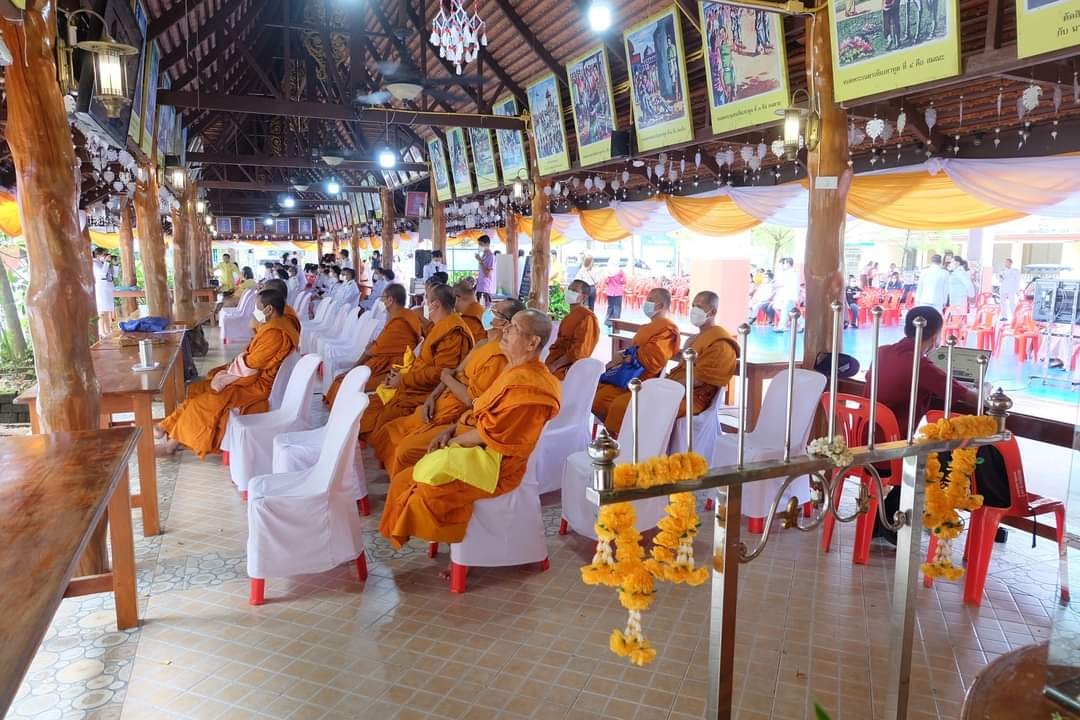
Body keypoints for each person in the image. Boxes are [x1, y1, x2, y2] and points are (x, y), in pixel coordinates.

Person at [378, 309, 561, 548]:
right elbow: (482, 413)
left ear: (533, 342)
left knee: (417, 487)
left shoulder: (533, 388)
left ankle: (461, 548)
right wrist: (452, 430)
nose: (504, 329)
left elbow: (495, 436)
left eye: (513, 327)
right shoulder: (513, 370)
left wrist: (452, 443)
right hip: (472, 443)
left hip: (496, 468)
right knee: (405, 477)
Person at [864, 306, 1009, 543]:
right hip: (894, 451)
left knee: (932, 449)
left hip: (865, 440)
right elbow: (972, 399)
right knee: (939, 459)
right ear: (935, 336)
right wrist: (986, 390)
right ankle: (893, 521)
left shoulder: (881, 352)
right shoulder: (920, 365)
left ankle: (886, 520)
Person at [372, 299, 524, 477]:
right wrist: (433, 396)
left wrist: (445, 377)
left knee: (405, 450)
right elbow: (454, 372)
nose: (488, 312)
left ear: (504, 323)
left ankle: (410, 486)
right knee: (388, 430)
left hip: (455, 414)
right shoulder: (482, 344)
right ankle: (401, 481)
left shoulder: (500, 356)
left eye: (495, 311)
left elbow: (470, 399)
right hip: (440, 402)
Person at [155, 290, 299, 457]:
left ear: (269, 310)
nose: (255, 311)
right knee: (198, 390)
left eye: (258, 307)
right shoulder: (279, 325)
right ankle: (169, 427)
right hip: (252, 378)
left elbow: (253, 364)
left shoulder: (276, 334)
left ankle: (171, 445)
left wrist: (227, 374)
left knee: (204, 401)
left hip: (256, 387)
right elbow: (254, 358)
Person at [358, 283, 474, 439]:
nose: (424, 304)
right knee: (369, 406)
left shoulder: (453, 332)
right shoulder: (439, 326)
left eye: (426, 300)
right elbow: (424, 360)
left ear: (436, 304)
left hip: (427, 391)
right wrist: (402, 372)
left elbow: (441, 373)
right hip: (413, 383)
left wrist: (404, 379)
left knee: (383, 417)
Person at [592, 288, 681, 437]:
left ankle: (621, 438)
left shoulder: (668, 329)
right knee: (596, 393)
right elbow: (637, 348)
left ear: (660, 305)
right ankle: (611, 435)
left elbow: (655, 358)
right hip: (628, 376)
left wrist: (632, 357)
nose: (647, 302)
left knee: (616, 405)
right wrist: (626, 355)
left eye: (651, 299)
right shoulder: (648, 327)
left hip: (645, 381)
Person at [325, 283, 422, 406]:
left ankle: (344, 417)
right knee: (343, 380)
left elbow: (373, 350)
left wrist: (352, 368)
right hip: (386, 363)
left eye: (383, 297)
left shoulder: (399, 323)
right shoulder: (406, 315)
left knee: (343, 382)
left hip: (391, 369)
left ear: (390, 300)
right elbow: (378, 346)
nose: (381, 300)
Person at [667, 292, 738, 421]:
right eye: (693, 305)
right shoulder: (692, 340)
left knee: (652, 406)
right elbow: (681, 369)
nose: (694, 310)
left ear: (712, 312)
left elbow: (701, 380)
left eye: (699, 307)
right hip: (677, 391)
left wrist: (669, 387)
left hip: (694, 398)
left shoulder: (720, 343)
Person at [546, 279, 600, 379]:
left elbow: (579, 351)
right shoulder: (569, 317)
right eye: (569, 290)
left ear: (584, 296)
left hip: (567, 370)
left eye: (574, 291)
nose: (569, 293)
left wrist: (555, 365)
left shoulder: (587, 317)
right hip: (553, 363)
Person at [772, 257, 800, 331]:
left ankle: (782, 326)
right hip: (788, 295)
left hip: (790, 295)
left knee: (785, 310)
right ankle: (802, 324)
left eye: (784, 263)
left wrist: (775, 285)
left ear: (788, 263)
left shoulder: (792, 273)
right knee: (791, 310)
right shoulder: (789, 272)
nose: (784, 265)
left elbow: (785, 284)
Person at [92, 247, 116, 334]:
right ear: (98, 255)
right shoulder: (94, 263)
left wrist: (115, 264)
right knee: (102, 310)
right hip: (101, 288)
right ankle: (102, 331)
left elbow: (114, 275)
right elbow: (102, 273)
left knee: (107, 310)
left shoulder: (104, 263)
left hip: (108, 288)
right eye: (104, 254)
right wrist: (107, 262)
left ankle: (108, 330)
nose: (106, 256)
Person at [603, 261, 626, 332]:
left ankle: (608, 322)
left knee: (610, 306)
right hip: (618, 291)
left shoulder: (608, 271)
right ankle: (616, 323)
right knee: (617, 307)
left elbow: (606, 281)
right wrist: (619, 281)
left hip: (610, 291)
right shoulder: (620, 271)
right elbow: (624, 281)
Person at [474, 235, 495, 304]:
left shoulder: (490, 256)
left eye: (481, 244)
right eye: (479, 244)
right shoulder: (484, 255)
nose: (479, 246)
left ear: (487, 244)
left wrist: (480, 261)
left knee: (486, 308)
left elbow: (488, 273)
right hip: (481, 285)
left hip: (486, 287)